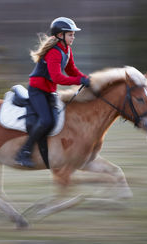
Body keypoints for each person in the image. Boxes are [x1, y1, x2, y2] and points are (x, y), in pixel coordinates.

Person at [15, 17, 90, 168]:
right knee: (46, 121)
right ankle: (24, 152)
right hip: (37, 91)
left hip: (49, 91)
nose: (73, 37)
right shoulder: (54, 53)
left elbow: (71, 70)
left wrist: (85, 78)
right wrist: (78, 81)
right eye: (70, 34)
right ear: (60, 35)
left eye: (73, 34)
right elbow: (57, 77)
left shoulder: (66, 49)